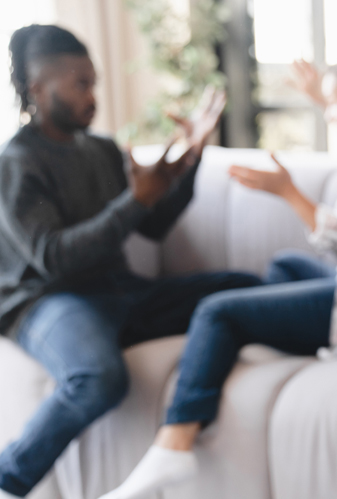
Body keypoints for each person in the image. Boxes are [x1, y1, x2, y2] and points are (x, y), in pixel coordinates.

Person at [98, 47, 337, 499]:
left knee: (219, 312)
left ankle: (173, 444)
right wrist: (323, 96)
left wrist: (289, 193)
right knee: (282, 267)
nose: (331, 117)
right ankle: (246, 327)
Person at [0, 25, 263, 498]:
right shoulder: (16, 163)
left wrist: (190, 161)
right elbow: (52, 257)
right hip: (47, 301)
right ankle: (8, 479)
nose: (92, 95)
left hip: (119, 292)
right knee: (98, 378)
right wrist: (134, 202)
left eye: (93, 81)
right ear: (40, 87)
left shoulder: (100, 150)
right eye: (80, 83)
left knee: (243, 286)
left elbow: (152, 225)